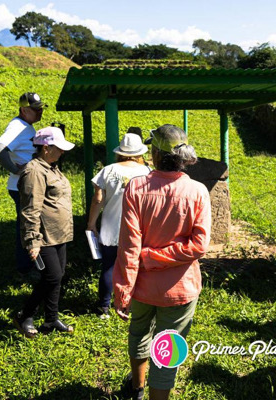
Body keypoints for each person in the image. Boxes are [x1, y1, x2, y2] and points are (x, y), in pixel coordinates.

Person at [114, 124, 211, 400]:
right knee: (168, 348)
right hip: (180, 290)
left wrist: (123, 290)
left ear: (154, 153)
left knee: (139, 332)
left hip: (142, 286)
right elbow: (199, 246)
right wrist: (159, 258)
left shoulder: (136, 188)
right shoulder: (198, 191)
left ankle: (136, 388)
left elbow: (129, 246)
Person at [11, 126, 75, 338]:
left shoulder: (51, 167)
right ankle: (24, 315)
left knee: (58, 276)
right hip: (44, 236)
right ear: (46, 148)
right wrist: (32, 240)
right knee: (52, 277)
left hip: (59, 234)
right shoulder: (34, 171)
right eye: (59, 148)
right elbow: (30, 209)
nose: (62, 152)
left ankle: (51, 319)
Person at [86, 133, 151, 319]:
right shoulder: (147, 172)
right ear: (139, 152)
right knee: (137, 267)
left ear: (120, 152)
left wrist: (91, 224)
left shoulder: (108, 170)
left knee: (108, 267)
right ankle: (134, 304)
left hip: (110, 228)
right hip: (138, 229)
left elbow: (97, 199)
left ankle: (103, 308)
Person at [0, 92, 46, 279]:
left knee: (29, 224)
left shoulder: (25, 125)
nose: (39, 112)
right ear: (24, 110)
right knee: (26, 227)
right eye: (35, 109)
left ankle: (30, 265)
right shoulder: (17, 126)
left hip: (26, 185)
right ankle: (26, 269)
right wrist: (16, 170)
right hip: (22, 186)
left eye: (41, 108)